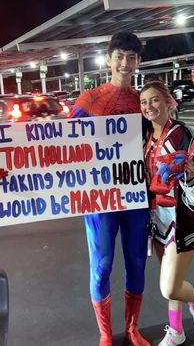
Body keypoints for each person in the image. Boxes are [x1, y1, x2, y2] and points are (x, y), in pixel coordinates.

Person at [71, 32, 151, 346]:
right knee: (102, 264)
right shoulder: (88, 100)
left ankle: (132, 329)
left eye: (131, 57)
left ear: (138, 62)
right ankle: (106, 333)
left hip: (135, 195)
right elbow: (60, 147)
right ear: (108, 59)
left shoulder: (142, 101)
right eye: (119, 56)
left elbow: (160, 140)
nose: (125, 63)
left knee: (136, 261)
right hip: (100, 198)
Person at [140, 80, 194, 346]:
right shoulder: (144, 136)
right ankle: (177, 331)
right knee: (173, 278)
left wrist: (192, 177)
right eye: (144, 102)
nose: (149, 106)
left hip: (182, 219)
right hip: (156, 220)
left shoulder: (183, 134)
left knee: (169, 286)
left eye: (155, 99)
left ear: (169, 101)